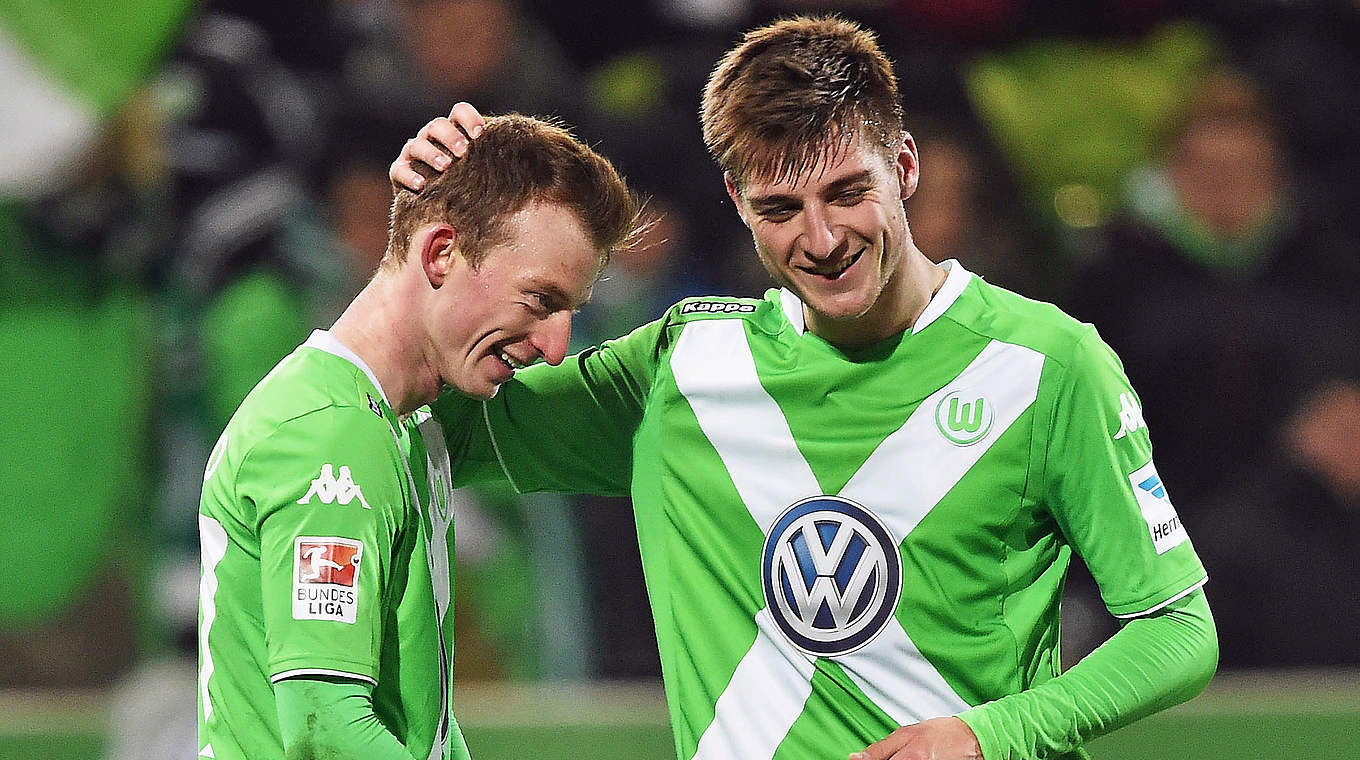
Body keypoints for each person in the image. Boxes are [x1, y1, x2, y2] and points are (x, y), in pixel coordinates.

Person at [395, 17, 1217, 760]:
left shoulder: (1048, 364)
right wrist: (419, 245)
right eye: (780, 208)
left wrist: (992, 731)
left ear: (904, 165)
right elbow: (430, 423)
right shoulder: (683, 370)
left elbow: (1179, 628)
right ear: (737, 202)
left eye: (848, 193)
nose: (821, 239)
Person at [197, 112, 639, 760]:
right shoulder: (330, 438)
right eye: (541, 301)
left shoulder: (412, 418)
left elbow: (410, 723)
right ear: (440, 254)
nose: (555, 346)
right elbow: (324, 730)